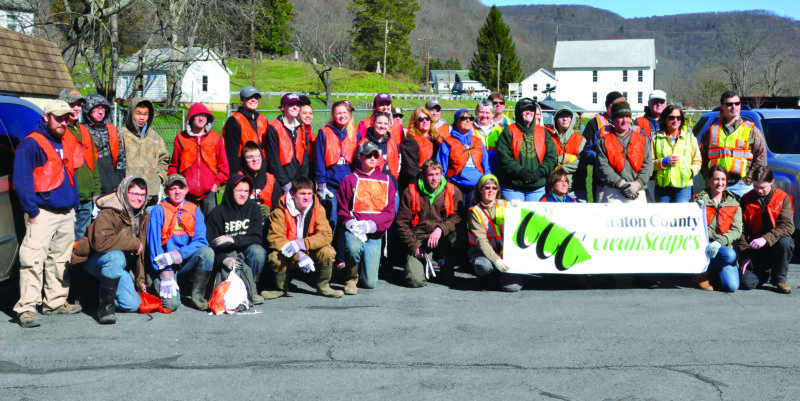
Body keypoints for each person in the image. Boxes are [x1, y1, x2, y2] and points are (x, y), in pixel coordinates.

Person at [12, 100, 82, 328]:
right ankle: (26, 309)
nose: (63, 122)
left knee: (60, 260)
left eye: (66, 118)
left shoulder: (65, 141)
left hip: (66, 212)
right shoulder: (31, 143)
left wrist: (75, 204)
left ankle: (55, 302)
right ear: (46, 117)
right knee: (32, 260)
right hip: (42, 212)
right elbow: (22, 180)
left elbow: (70, 175)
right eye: (58, 117)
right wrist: (32, 210)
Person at [72, 176, 149, 324]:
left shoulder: (143, 215)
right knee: (116, 256)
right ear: (124, 192)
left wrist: (141, 280)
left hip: (116, 267)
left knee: (132, 305)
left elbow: (141, 250)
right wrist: (133, 243)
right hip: (92, 259)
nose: (138, 198)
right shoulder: (109, 211)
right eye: (134, 194)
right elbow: (101, 242)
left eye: (142, 195)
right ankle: (105, 309)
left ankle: (93, 293)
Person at [262, 177, 344, 299]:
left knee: (328, 251)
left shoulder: (318, 208)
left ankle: (323, 287)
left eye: (309, 193)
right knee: (274, 257)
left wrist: (301, 244)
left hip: (309, 249)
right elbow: (275, 238)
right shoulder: (281, 210)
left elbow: (326, 235)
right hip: (289, 251)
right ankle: (280, 289)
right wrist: (298, 254)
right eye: (302, 193)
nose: (306, 197)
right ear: (293, 194)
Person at [146, 174, 214, 311]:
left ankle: (197, 296)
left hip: (184, 262)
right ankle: (155, 283)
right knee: (171, 305)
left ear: (186, 190)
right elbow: (154, 245)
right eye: (173, 188)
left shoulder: (195, 210)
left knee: (208, 252)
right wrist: (166, 274)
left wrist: (177, 255)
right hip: (164, 265)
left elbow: (201, 241)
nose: (177, 192)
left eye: (181, 188)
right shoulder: (158, 210)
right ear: (166, 191)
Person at [336, 141, 397, 293]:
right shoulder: (350, 179)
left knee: (370, 283)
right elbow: (342, 209)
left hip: (375, 233)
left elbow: (389, 213)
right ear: (360, 157)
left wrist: (372, 225)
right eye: (368, 155)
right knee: (353, 248)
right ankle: (350, 278)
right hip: (355, 230)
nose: (372, 157)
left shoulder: (387, 181)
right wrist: (351, 224)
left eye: (375, 155)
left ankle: (356, 269)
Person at [396, 159, 463, 288]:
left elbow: (458, 217)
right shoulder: (410, 191)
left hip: (441, 239)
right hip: (419, 241)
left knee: (460, 235)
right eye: (430, 175)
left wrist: (440, 229)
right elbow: (402, 224)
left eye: (437, 174)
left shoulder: (452, 190)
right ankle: (424, 264)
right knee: (415, 281)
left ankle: (446, 266)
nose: (434, 178)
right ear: (423, 175)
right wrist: (414, 247)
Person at [205, 173, 266, 303]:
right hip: (226, 253)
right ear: (230, 190)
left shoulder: (254, 209)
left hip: (246, 249)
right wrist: (222, 259)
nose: (243, 194)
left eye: (246, 191)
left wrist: (233, 240)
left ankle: (252, 288)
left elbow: (257, 237)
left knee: (258, 251)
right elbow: (210, 244)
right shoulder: (217, 213)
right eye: (239, 190)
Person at [737, 166, 794, 294]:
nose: (759, 191)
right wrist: (745, 255)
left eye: (763, 187)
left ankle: (780, 279)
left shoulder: (782, 198)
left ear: (772, 182)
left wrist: (765, 239)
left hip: (775, 244)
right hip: (755, 249)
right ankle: (765, 273)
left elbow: (788, 227)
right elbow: (740, 230)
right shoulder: (746, 199)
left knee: (786, 242)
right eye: (755, 186)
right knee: (746, 283)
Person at [700, 90, 767, 198]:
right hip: (717, 185)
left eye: (737, 103)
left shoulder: (751, 130)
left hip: (741, 186)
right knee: (717, 215)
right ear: (722, 106)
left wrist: (747, 180)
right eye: (729, 104)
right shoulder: (712, 130)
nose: (734, 107)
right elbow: (702, 156)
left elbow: (761, 158)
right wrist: (708, 177)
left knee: (742, 215)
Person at [167, 103, 229, 217]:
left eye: (204, 115)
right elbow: (174, 166)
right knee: (186, 225)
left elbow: (224, 167)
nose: (201, 118)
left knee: (210, 227)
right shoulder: (181, 138)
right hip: (186, 192)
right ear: (190, 118)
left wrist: (215, 185)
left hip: (209, 192)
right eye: (197, 115)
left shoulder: (215, 138)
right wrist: (176, 185)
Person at [495, 97, 557, 202]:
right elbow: (504, 157)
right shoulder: (509, 131)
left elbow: (551, 156)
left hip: (537, 189)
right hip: (512, 188)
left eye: (531, 109)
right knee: (515, 218)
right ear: (518, 112)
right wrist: (521, 172)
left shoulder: (543, 132)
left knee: (534, 218)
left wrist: (540, 172)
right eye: (524, 109)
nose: (529, 111)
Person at [467, 174, 523, 291]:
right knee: (483, 266)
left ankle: (498, 276)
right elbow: (481, 241)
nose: (491, 191)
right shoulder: (475, 212)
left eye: (494, 187)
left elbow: (520, 227)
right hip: (482, 252)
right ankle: (487, 276)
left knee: (513, 288)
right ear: (480, 190)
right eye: (487, 187)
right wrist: (496, 260)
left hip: (503, 251)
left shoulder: (505, 204)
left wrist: (519, 208)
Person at [692, 165, 742, 292]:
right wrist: (713, 239)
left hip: (724, 248)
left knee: (731, 286)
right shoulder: (698, 201)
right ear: (708, 180)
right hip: (704, 246)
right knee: (729, 255)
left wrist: (720, 242)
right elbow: (696, 226)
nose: (720, 183)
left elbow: (736, 230)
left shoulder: (734, 202)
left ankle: (709, 271)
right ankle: (700, 273)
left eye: (723, 179)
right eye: (716, 179)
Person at [59, 89, 100, 239]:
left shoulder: (84, 130)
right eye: (72, 104)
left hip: (87, 197)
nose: (76, 108)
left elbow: (93, 163)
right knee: (65, 239)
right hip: (68, 198)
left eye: (79, 104)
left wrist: (96, 191)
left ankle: (78, 263)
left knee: (82, 238)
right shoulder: (58, 131)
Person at [595, 101, 653, 203]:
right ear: (613, 119)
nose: (625, 120)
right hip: (613, 193)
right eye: (621, 117)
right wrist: (621, 184)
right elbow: (602, 168)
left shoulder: (642, 139)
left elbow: (648, 165)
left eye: (627, 116)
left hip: (638, 192)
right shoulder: (603, 141)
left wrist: (637, 184)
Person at [576, 91, 627, 202]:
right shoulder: (594, 123)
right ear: (609, 106)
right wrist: (603, 160)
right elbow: (586, 151)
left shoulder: (629, 123)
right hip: (602, 180)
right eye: (618, 104)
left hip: (626, 179)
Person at [119, 97, 169, 207]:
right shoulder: (122, 135)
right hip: (128, 194)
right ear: (132, 113)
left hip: (150, 194)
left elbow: (164, 160)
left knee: (148, 224)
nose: (142, 117)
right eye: (138, 113)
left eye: (145, 114)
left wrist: (159, 178)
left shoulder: (155, 138)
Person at [437, 109, 491, 205]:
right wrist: (442, 188)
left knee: (473, 216)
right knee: (458, 217)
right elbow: (441, 168)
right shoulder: (448, 142)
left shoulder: (478, 142)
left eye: (470, 118)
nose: (468, 120)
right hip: (456, 186)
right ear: (456, 122)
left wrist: (487, 182)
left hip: (477, 186)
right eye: (463, 118)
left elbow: (486, 166)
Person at [651, 104, 701, 203]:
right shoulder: (656, 138)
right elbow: (649, 164)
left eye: (678, 118)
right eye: (671, 117)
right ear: (665, 119)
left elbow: (697, 161)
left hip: (684, 188)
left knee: (681, 216)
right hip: (662, 188)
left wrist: (690, 172)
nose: (675, 121)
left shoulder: (690, 138)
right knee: (663, 218)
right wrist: (664, 161)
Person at [266, 92, 310, 194]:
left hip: (299, 180)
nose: (295, 107)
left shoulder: (302, 127)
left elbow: (305, 156)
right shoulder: (274, 127)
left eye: (298, 104)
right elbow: (273, 160)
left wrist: (303, 181)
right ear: (282, 107)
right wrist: (286, 184)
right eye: (291, 104)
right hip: (281, 182)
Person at [82, 93, 126, 194]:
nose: (101, 112)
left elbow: (121, 157)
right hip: (92, 186)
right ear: (88, 109)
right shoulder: (81, 131)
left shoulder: (112, 129)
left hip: (113, 184)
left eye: (103, 108)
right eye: (97, 108)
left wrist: (118, 179)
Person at [223, 86, 268, 175]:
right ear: (242, 101)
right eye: (249, 97)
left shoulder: (263, 119)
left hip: (261, 166)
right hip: (243, 168)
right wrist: (236, 174)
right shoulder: (234, 120)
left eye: (256, 97)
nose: (253, 100)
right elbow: (231, 152)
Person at [239, 141, 282, 228]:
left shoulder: (271, 180)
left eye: (258, 156)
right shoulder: (237, 180)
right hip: (244, 226)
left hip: (268, 225)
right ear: (244, 160)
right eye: (250, 157)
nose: (255, 160)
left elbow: (278, 210)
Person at [356, 112, 401, 191]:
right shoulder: (364, 143)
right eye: (379, 123)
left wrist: (394, 178)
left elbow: (399, 162)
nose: (382, 126)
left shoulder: (393, 143)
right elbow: (357, 165)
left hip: (391, 187)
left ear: (388, 126)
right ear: (373, 123)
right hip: (370, 188)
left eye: (385, 124)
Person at [549, 106, 585, 199]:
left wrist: (561, 167)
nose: (565, 119)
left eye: (568, 116)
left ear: (572, 119)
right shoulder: (549, 139)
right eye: (561, 116)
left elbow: (582, 163)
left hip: (576, 188)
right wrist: (568, 158)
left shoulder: (580, 139)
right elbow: (548, 160)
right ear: (556, 119)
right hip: (554, 189)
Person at [400, 107, 438, 192]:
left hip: (434, 182)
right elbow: (411, 169)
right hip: (418, 185)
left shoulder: (435, 140)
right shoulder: (410, 141)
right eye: (420, 119)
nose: (425, 121)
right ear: (415, 122)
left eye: (427, 118)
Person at [472, 99, 504, 169]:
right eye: (481, 112)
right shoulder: (469, 130)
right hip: (477, 168)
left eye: (487, 113)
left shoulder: (499, 129)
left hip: (496, 168)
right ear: (476, 113)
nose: (484, 115)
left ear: (492, 114)